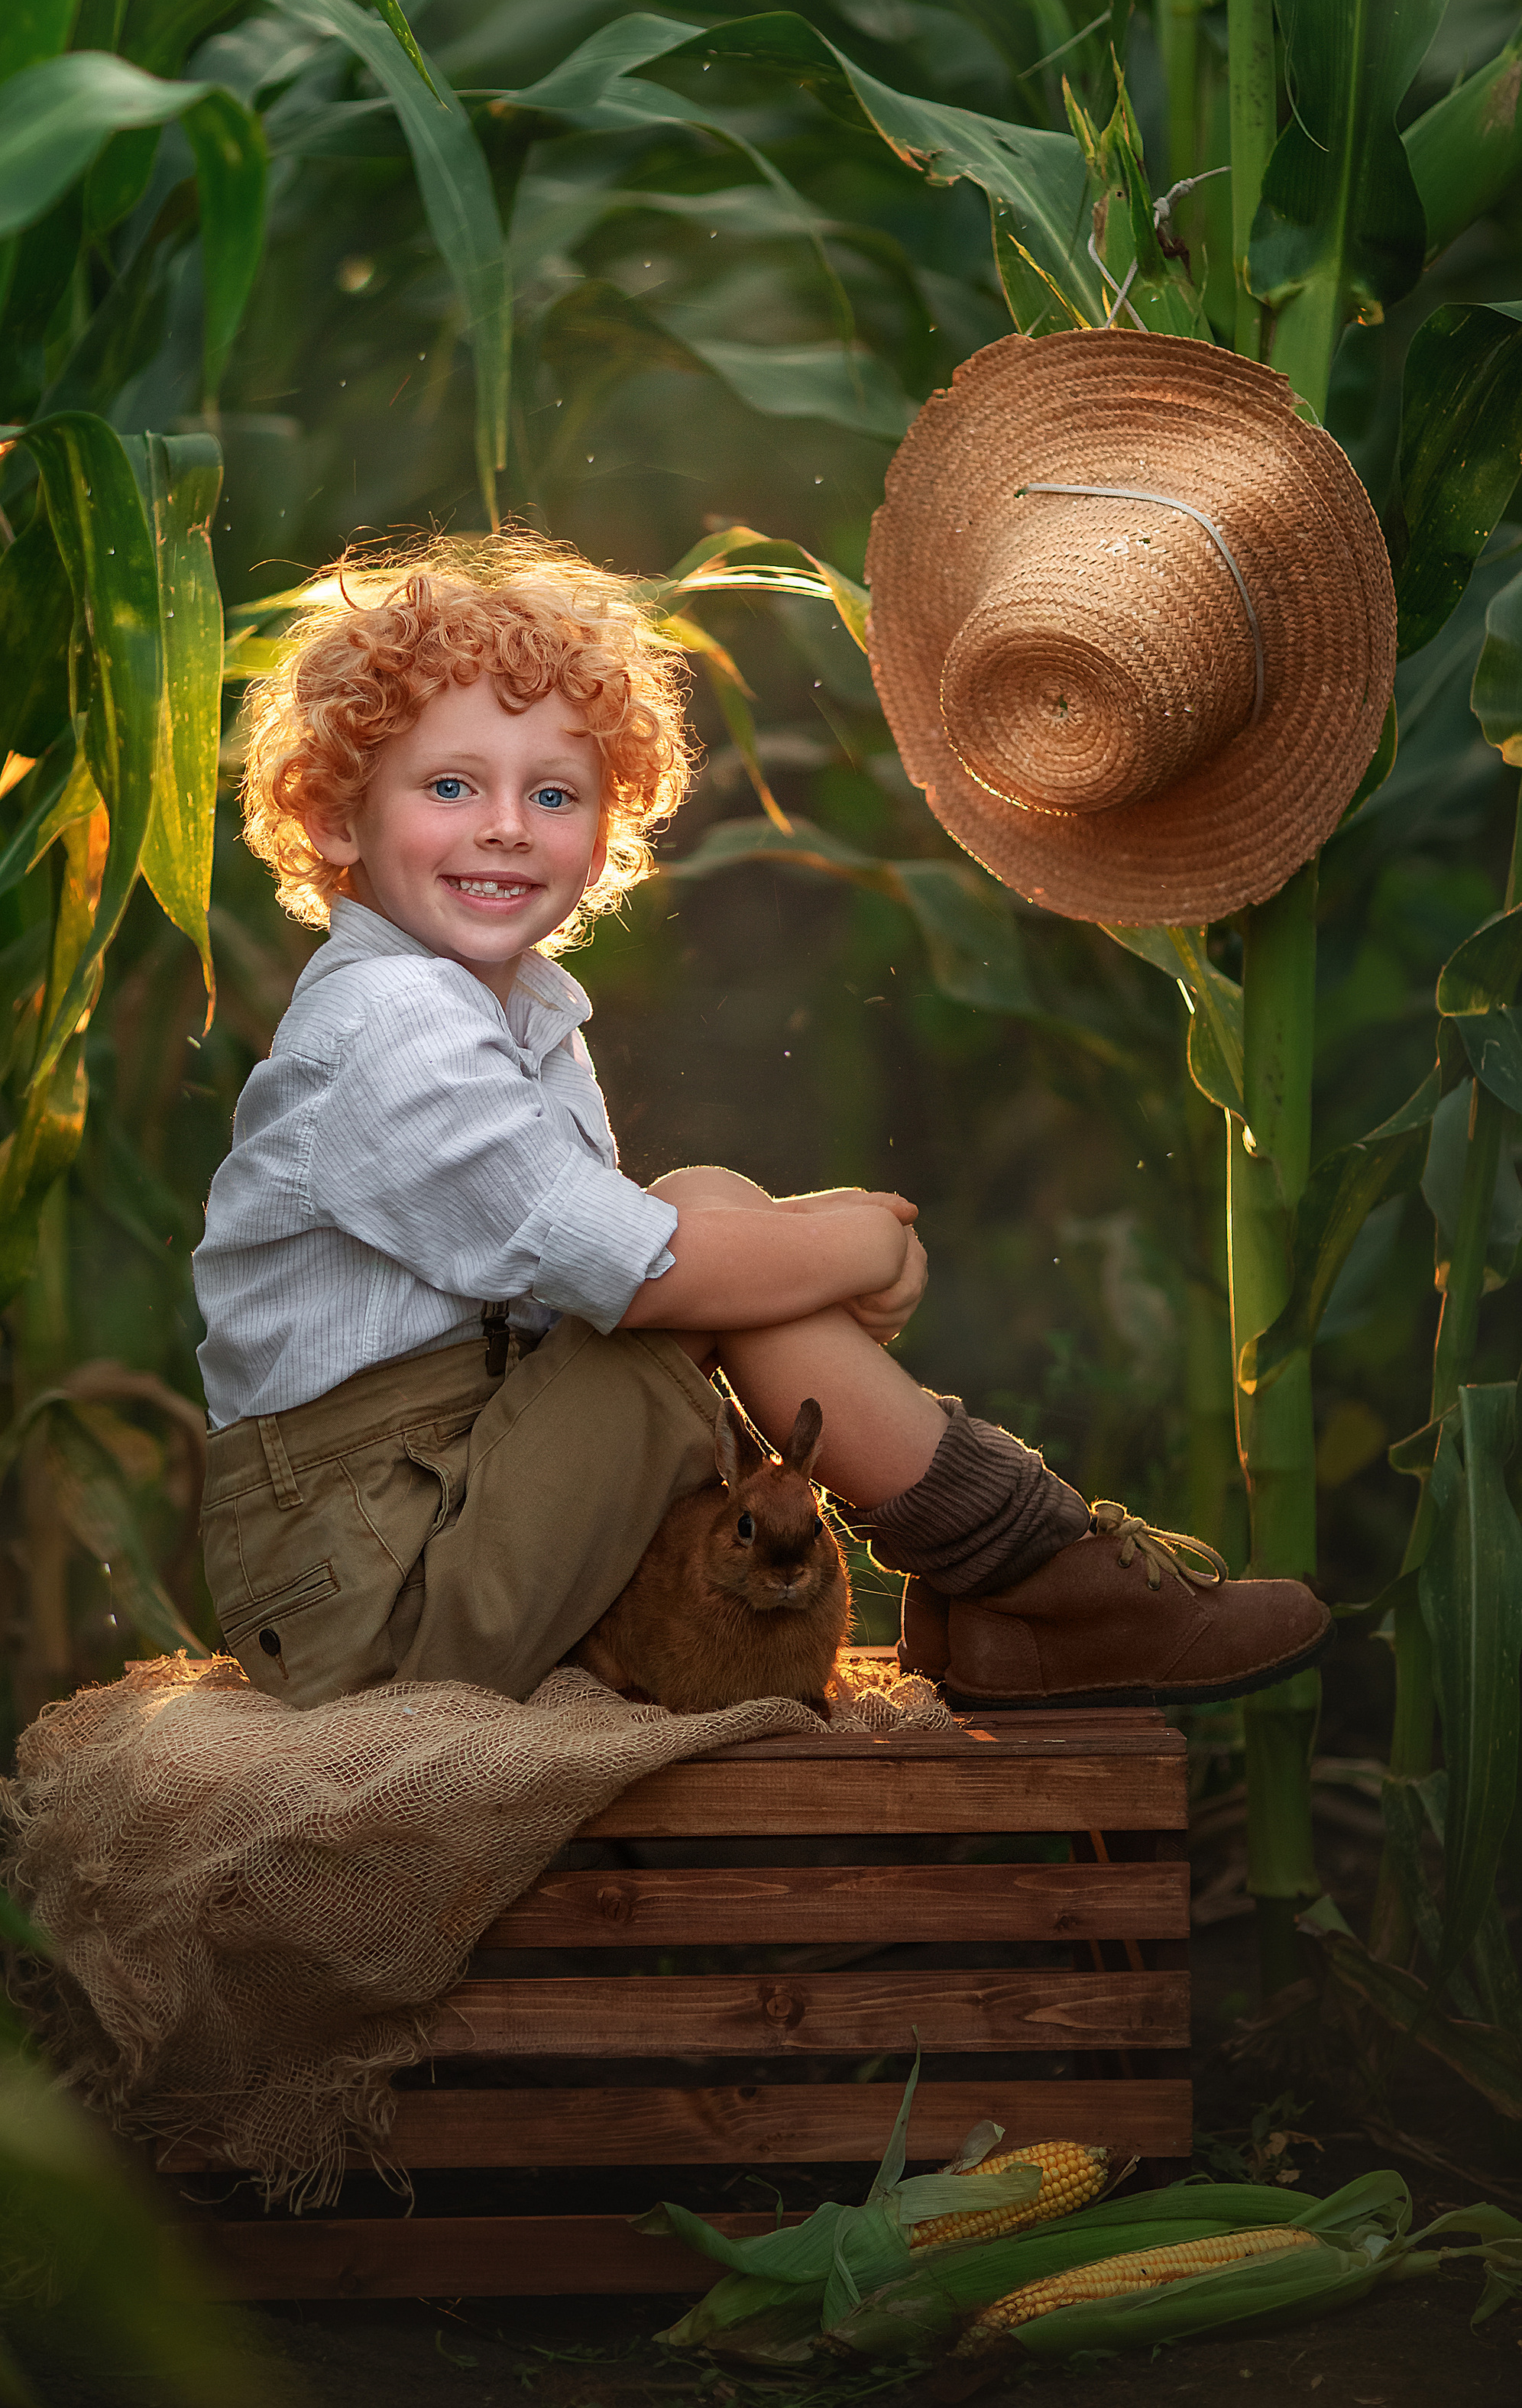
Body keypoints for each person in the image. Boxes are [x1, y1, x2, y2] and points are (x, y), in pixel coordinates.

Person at [191, 532, 1329, 1713]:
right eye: (448, 787)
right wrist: (857, 1241)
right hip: (380, 1594)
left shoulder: (511, 1013)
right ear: (332, 821)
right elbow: (634, 1274)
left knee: (713, 1217)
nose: (507, 826)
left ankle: (1011, 1592)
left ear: (606, 829)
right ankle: (1035, 1572)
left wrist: (782, 1242)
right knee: (698, 1229)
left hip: (456, 1508)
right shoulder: (388, 1024)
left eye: (553, 793)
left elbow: (613, 1273)